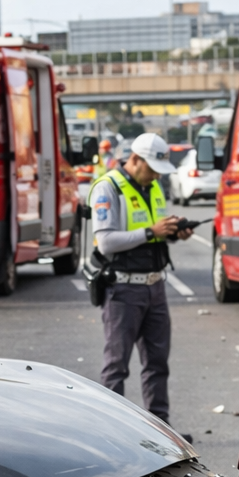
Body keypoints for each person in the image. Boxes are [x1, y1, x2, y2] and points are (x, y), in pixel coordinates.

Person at [90, 132, 192, 426]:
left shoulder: (153, 185)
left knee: (158, 364)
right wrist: (152, 232)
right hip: (122, 289)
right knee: (116, 366)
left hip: (154, 286)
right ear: (135, 160)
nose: (155, 177)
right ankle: (114, 434)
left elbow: (154, 236)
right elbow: (106, 242)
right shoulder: (107, 188)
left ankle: (162, 432)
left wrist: (173, 233)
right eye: (152, 170)